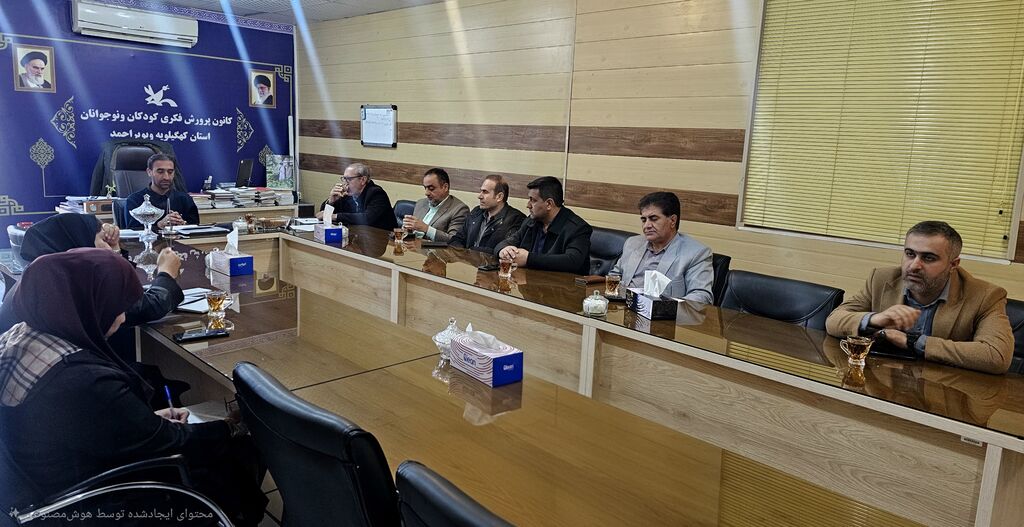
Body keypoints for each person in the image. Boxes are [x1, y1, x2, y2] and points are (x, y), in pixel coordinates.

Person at [0, 249, 266, 525]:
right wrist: (232, 427)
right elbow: (173, 443)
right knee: (238, 451)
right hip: (93, 503)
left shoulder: (20, 336)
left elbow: (85, 422)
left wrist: (137, 422)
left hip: (44, 480)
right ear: (90, 305)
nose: (124, 317)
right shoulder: (82, 381)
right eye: (118, 307)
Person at [825, 221, 1014, 374]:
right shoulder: (882, 279)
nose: (914, 265)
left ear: (953, 264)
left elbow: (996, 356)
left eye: (928, 258)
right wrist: (875, 319)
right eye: (910, 254)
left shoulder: (985, 296)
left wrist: (914, 342)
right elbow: (833, 320)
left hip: (942, 393)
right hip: (884, 385)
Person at [0, 214, 184, 335]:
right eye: (102, 239)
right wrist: (166, 274)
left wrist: (114, 252)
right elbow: (142, 307)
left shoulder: (44, 275)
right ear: (81, 243)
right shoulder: (69, 286)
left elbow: (122, 288)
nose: (108, 244)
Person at [609, 192, 714, 304]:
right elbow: (614, 276)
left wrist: (667, 308)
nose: (647, 226)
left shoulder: (696, 253)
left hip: (662, 312)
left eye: (653, 219)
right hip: (623, 307)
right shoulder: (633, 243)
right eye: (644, 220)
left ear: (672, 221)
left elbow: (702, 296)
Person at [495, 176, 592, 275]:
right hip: (531, 281)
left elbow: (572, 261)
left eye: (533, 200)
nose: (528, 205)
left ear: (549, 204)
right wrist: (503, 250)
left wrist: (529, 259)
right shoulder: (531, 221)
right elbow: (506, 242)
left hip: (562, 284)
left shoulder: (577, 228)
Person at [450, 174, 526, 252]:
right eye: (481, 191)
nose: (480, 196)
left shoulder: (516, 219)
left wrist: (469, 251)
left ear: (499, 197)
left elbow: (502, 251)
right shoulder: (476, 212)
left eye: (485, 192)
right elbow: (456, 239)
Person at [124, 154, 199, 230]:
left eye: (170, 172)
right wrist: (158, 225)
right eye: (160, 172)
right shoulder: (134, 200)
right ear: (149, 172)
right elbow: (132, 231)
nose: (166, 177)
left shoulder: (185, 199)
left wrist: (183, 224)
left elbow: (196, 228)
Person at [317, 162, 396, 231]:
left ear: (363, 180)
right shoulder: (346, 194)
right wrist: (331, 201)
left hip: (381, 238)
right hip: (357, 236)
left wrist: (335, 216)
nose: (345, 183)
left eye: (349, 179)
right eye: (344, 179)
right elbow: (322, 215)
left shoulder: (376, 193)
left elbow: (367, 218)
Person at [402, 168, 469, 243]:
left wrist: (426, 229)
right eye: (425, 188)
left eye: (431, 188)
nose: (426, 193)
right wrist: (406, 229)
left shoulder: (459, 209)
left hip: (433, 250)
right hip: (411, 246)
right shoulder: (420, 203)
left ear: (445, 187)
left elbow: (453, 240)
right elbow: (411, 232)